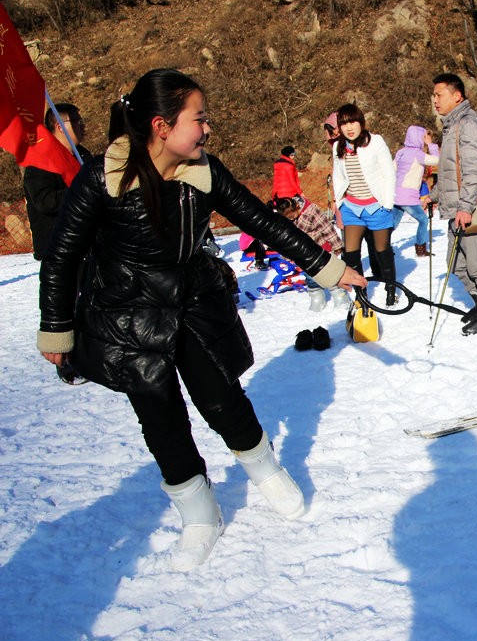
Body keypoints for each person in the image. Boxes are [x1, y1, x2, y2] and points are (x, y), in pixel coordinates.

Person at [36, 69, 367, 570]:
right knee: (160, 418)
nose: (208, 129)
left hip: (193, 306)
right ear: (162, 126)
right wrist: (56, 326)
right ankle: (198, 513)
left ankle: (265, 469)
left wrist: (327, 265)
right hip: (129, 319)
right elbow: (61, 257)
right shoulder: (101, 177)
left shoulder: (203, 173)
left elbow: (264, 220)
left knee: (221, 397)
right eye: (199, 119)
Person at [428, 72, 477, 336]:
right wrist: (434, 195)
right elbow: (451, 170)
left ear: (456, 96)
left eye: (439, 95)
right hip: (456, 207)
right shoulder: (451, 125)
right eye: (434, 95)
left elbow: (473, 171)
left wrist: (465, 207)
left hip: (470, 208)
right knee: (457, 264)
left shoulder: (468, 123)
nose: (435, 100)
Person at [331, 103, 398, 306]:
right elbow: (337, 176)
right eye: (344, 124)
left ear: (360, 122)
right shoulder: (338, 147)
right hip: (352, 207)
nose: (349, 127)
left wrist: (386, 204)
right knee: (351, 254)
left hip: (376, 206)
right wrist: (339, 203)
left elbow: (388, 173)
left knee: (382, 251)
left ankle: (390, 289)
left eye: (353, 122)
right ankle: (361, 294)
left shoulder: (375, 142)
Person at [24, 103, 91, 261]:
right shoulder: (41, 160)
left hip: (87, 245)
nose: (82, 126)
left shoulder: (82, 155)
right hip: (58, 249)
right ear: (60, 127)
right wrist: (81, 193)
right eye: (77, 121)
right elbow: (44, 201)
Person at [272, 196, 345, 311]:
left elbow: (326, 227)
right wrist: (287, 255)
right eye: (288, 218)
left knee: (329, 273)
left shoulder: (310, 211)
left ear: (296, 206)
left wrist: (336, 245)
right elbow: (285, 237)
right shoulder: (285, 219)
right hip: (303, 253)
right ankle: (317, 297)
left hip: (321, 248)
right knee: (310, 276)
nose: (291, 220)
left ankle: (339, 295)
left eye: (292, 216)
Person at [393, 125, 438, 257]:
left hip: (396, 195)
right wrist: (431, 144)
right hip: (408, 196)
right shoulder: (418, 154)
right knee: (423, 220)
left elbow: (392, 168)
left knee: (392, 224)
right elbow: (436, 160)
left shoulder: (401, 152)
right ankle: (421, 249)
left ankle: (381, 247)